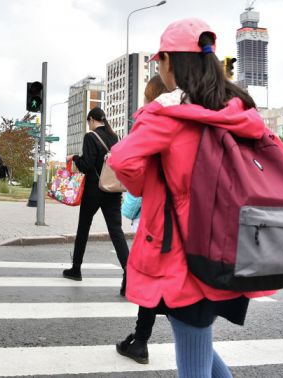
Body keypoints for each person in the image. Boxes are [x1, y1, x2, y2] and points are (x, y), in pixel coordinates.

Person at [107, 18, 283, 376]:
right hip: (232, 249)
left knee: (193, 361)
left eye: (159, 61)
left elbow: (122, 159)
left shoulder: (168, 113)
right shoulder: (240, 110)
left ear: (169, 61)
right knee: (198, 345)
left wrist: (151, 184)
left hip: (185, 254)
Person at [115, 75, 168, 365]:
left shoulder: (159, 122)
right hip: (171, 218)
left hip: (161, 219)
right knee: (158, 283)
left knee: (157, 284)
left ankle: (140, 340)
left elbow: (123, 159)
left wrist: (137, 188)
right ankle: (139, 339)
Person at [62, 106, 130, 297]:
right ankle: (129, 273)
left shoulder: (90, 137)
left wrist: (75, 157)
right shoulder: (115, 137)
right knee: (116, 232)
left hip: (94, 191)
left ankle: (76, 269)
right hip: (112, 191)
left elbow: (86, 165)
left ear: (92, 120)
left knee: (83, 228)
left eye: (88, 121)